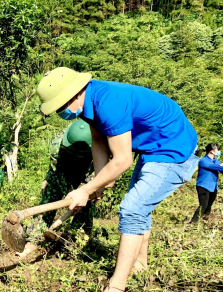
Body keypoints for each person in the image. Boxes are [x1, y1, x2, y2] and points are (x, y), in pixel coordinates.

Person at [37, 67, 199, 292]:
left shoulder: (108, 103)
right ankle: (140, 266)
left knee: (133, 209)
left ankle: (117, 286)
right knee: (140, 209)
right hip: (151, 148)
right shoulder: (88, 102)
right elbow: (98, 141)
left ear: (73, 95)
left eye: (60, 107)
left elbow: (122, 161)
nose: (59, 113)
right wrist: (100, 180)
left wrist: (85, 189)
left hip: (172, 148)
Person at [19, 119, 97, 257]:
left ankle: (74, 243)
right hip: (61, 173)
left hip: (87, 176)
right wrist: (69, 195)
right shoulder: (58, 145)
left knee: (86, 208)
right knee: (47, 204)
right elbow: (57, 170)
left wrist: (84, 193)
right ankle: (33, 241)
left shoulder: (101, 143)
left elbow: (99, 173)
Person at [189, 143, 223, 224]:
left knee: (209, 205)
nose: (219, 152)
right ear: (212, 151)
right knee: (203, 205)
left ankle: (205, 219)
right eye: (217, 150)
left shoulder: (215, 160)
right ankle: (193, 222)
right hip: (203, 185)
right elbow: (217, 167)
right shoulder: (204, 161)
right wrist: (220, 166)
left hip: (213, 186)